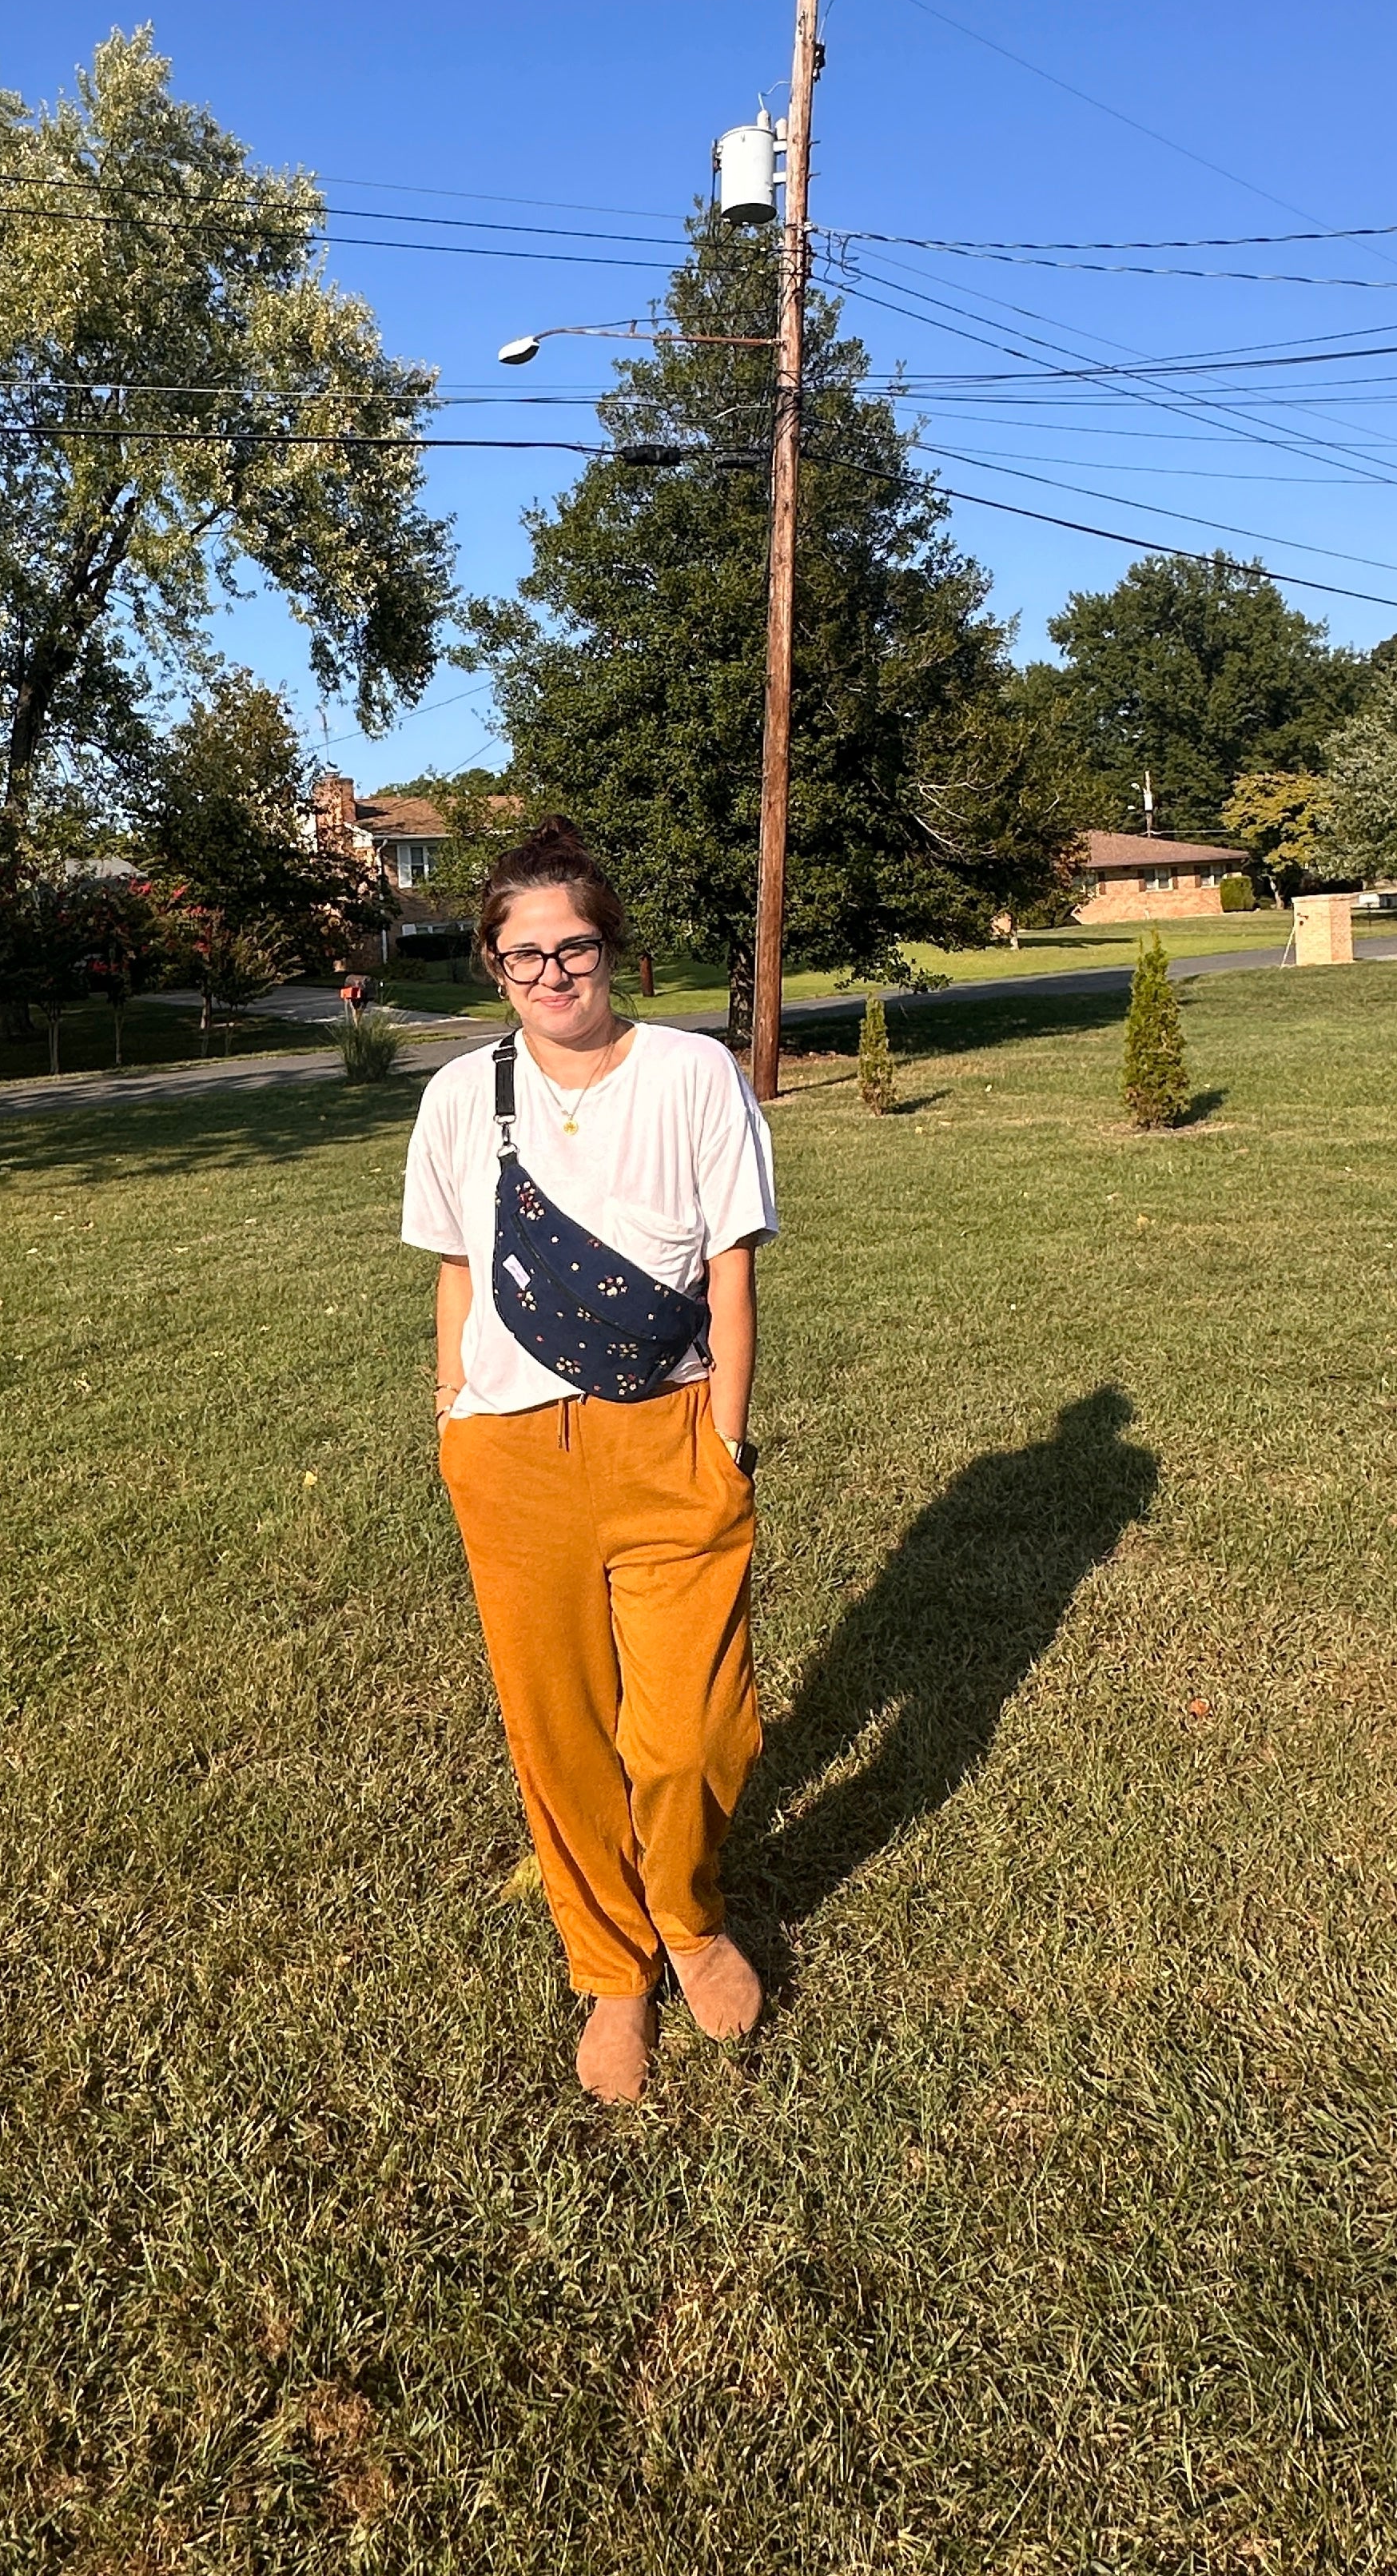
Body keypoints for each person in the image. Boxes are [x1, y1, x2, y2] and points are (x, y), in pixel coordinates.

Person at [400, 816, 778, 2101]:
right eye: (524, 957)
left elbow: (731, 1264)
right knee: (559, 1736)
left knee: (695, 1734)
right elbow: (459, 1266)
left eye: (574, 948)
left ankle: (689, 1913)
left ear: (614, 950)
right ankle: (613, 1968)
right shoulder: (460, 1096)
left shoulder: (690, 1073)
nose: (553, 975)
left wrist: (724, 1434)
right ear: (493, 970)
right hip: (513, 1460)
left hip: (672, 1441)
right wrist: (455, 1411)